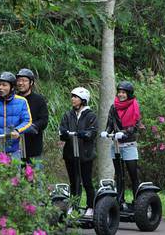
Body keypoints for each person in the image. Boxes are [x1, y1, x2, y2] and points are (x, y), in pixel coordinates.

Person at [100, 81, 141, 210]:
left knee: (132, 173)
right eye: (119, 92)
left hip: (129, 144)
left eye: (123, 92)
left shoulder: (134, 106)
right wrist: (106, 132)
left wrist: (124, 133)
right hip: (116, 145)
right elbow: (110, 123)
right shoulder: (114, 107)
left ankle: (138, 202)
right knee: (119, 174)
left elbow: (135, 126)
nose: (121, 94)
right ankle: (120, 200)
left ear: (129, 94)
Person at [59, 87, 97, 217]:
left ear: (83, 100)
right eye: (72, 97)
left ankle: (90, 206)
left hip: (85, 154)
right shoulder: (68, 115)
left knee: (86, 181)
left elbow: (92, 132)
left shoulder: (90, 115)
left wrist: (83, 134)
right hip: (70, 154)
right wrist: (64, 133)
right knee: (74, 182)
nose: (73, 99)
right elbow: (62, 131)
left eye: (76, 97)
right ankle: (73, 206)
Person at [16, 68, 49, 169]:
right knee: (16, 179)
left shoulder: (39, 100)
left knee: (35, 180)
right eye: (19, 80)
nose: (21, 83)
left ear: (31, 83)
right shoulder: (13, 99)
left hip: (34, 147)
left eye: (24, 80)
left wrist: (33, 127)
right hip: (15, 147)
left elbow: (44, 120)